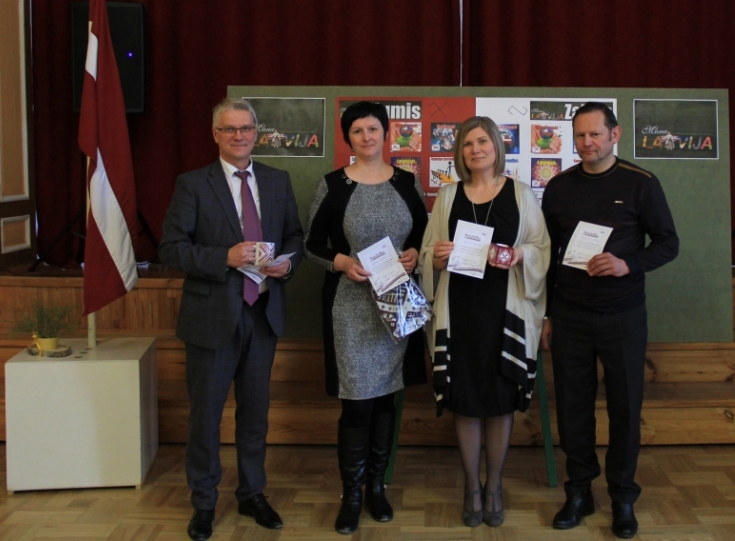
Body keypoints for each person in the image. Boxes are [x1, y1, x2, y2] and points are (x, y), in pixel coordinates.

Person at [160, 98, 304, 541]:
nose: (239, 136)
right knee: (205, 416)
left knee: (255, 413)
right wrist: (224, 256)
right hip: (211, 317)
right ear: (215, 134)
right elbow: (171, 249)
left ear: (256, 133)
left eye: (246, 128)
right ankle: (204, 503)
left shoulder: (277, 180)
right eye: (229, 129)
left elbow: (295, 236)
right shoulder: (193, 184)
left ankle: (251, 493)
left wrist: (288, 263)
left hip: (263, 314)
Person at [540, 102, 679, 539]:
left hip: (623, 315)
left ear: (614, 135)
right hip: (570, 316)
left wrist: (627, 264)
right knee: (573, 409)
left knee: (625, 408)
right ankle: (579, 492)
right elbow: (547, 257)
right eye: (580, 136)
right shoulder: (559, 187)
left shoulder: (641, 183)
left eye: (595, 135)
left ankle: (622, 498)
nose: (587, 143)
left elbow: (669, 243)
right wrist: (547, 313)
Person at [303, 101, 429, 535]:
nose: (366, 137)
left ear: (386, 133)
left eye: (373, 128)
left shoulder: (407, 182)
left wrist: (415, 253)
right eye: (357, 131)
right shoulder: (333, 185)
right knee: (357, 404)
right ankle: (352, 494)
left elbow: (423, 234)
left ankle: (377, 487)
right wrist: (340, 262)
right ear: (348, 138)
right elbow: (311, 244)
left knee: (387, 399)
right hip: (351, 307)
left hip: (397, 303)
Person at [419, 116, 550, 528]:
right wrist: (436, 258)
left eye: (482, 142)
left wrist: (519, 255)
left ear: (497, 146)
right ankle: (471, 488)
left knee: (498, 400)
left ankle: (493, 486)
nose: (475, 150)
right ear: (459, 152)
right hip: (460, 312)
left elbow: (541, 248)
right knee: (465, 400)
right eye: (467, 144)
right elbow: (427, 254)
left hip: (504, 312)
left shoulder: (521, 193)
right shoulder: (448, 195)